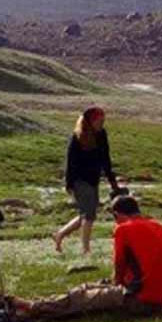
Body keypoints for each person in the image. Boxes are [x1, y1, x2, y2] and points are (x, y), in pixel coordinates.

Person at [0, 195, 162, 322]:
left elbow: (119, 266)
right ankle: (34, 305)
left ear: (117, 214)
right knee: (87, 289)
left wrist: (114, 286)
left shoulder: (124, 229)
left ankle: (29, 307)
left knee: (82, 297)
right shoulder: (159, 227)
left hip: (140, 298)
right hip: (161, 295)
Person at [53, 106, 121, 257]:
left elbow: (105, 159)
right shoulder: (77, 136)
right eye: (99, 121)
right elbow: (70, 162)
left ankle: (60, 234)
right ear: (90, 121)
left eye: (103, 121)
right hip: (79, 180)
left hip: (93, 179)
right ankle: (85, 249)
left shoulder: (102, 135)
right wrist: (69, 183)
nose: (102, 124)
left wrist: (113, 182)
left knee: (87, 213)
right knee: (89, 215)